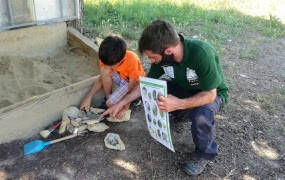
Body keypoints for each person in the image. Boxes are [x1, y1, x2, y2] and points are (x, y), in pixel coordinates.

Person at [102, 20, 229, 175]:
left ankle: (204, 154)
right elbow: (146, 85)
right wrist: (120, 103)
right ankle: (181, 115)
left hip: (211, 93)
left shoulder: (201, 53)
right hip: (185, 88)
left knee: (201, 114)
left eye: (152, 57)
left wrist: (179, 104)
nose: (151, 61)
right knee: (157, 87)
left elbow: (211, 94)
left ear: (168, 51)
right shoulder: (162, 58)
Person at [80, 36, 145, 118]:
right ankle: (108, 97)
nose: (107, 66)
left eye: (111, 65)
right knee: (105, 70)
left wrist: (125, 108)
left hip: (134, 84)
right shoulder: (107, 58)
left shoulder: (132, 59)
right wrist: (88, 97)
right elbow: (101, 78)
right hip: (121, 79)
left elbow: (132, 86)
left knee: (109, 104)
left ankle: (135, 100)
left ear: (122, 59)